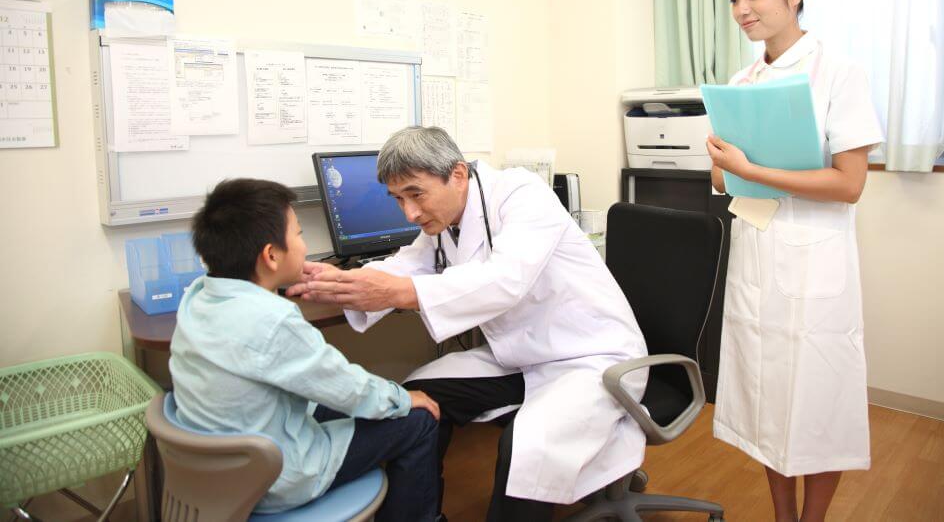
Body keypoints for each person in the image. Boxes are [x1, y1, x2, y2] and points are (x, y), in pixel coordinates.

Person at [287, 126, 649, 521]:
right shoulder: (446, 222)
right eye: (398, 199)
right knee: (415, 399)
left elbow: (506, 280)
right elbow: (410, 263)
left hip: (590, 356)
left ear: (457, 175)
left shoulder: (520, 194)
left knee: (530, 447)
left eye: (415, 194)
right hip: (521, 355)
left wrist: (396, 293)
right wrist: (343, 284)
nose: (409, 213)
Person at [707, 0, 883, 521]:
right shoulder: (739, 83)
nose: (742, 11)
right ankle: (783, 517)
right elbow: (720, 176)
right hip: (757, 257)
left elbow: (849, 183)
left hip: (816, 264)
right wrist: (731, 169)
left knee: (817, 405)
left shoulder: (838, 71)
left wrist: (752, 169)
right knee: (767, 401)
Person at [168, 178, 441, 521]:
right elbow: (348, 388)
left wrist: (283, 280)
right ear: (270, 255)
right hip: (276, 477)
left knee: (347, 401)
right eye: (298, 234)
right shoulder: (273, 322)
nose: (303, 244)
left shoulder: (198, 295)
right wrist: (403, 397)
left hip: (220, 471)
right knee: (417, 421)